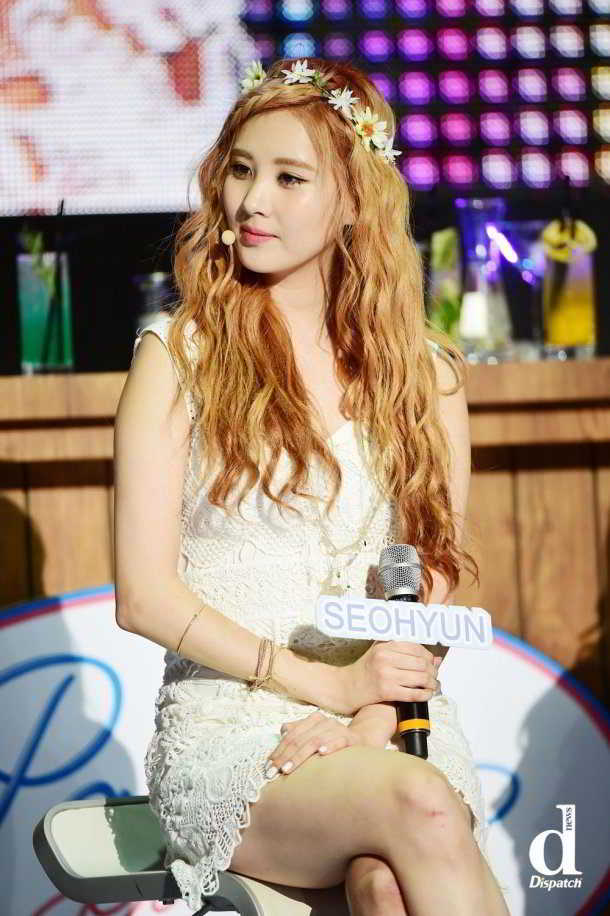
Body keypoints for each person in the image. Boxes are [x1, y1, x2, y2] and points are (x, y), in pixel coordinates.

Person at [114, 57, 511, 915]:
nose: (252, 201)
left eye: (289, 178)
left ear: (354, 200)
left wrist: (370, 714)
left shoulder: (427, 375)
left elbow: (430, 583)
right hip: (232, 731)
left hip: (390, 718)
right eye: (241, 171)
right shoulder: (178, 356)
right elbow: (142, 598)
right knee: (419, 807)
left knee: (385, 886)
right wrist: (322, 685)